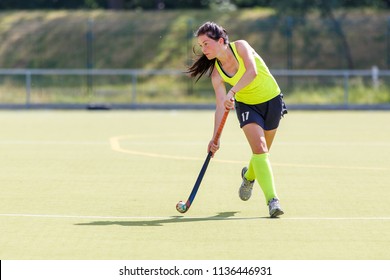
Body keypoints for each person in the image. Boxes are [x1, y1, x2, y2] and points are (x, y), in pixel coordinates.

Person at [187, 21, 287, 218]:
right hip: (247, 106)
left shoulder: (241, 46)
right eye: (201, 45)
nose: (203, 49)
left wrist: (232, 91)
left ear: (221, 41)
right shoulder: (217, 74)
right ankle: (272, 201)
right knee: (259, 148)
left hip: (272, 99)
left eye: (206, 43)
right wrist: (215, 138)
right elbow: (219, 106)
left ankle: (248, 177)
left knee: (262, 153)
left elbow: (252, 71)